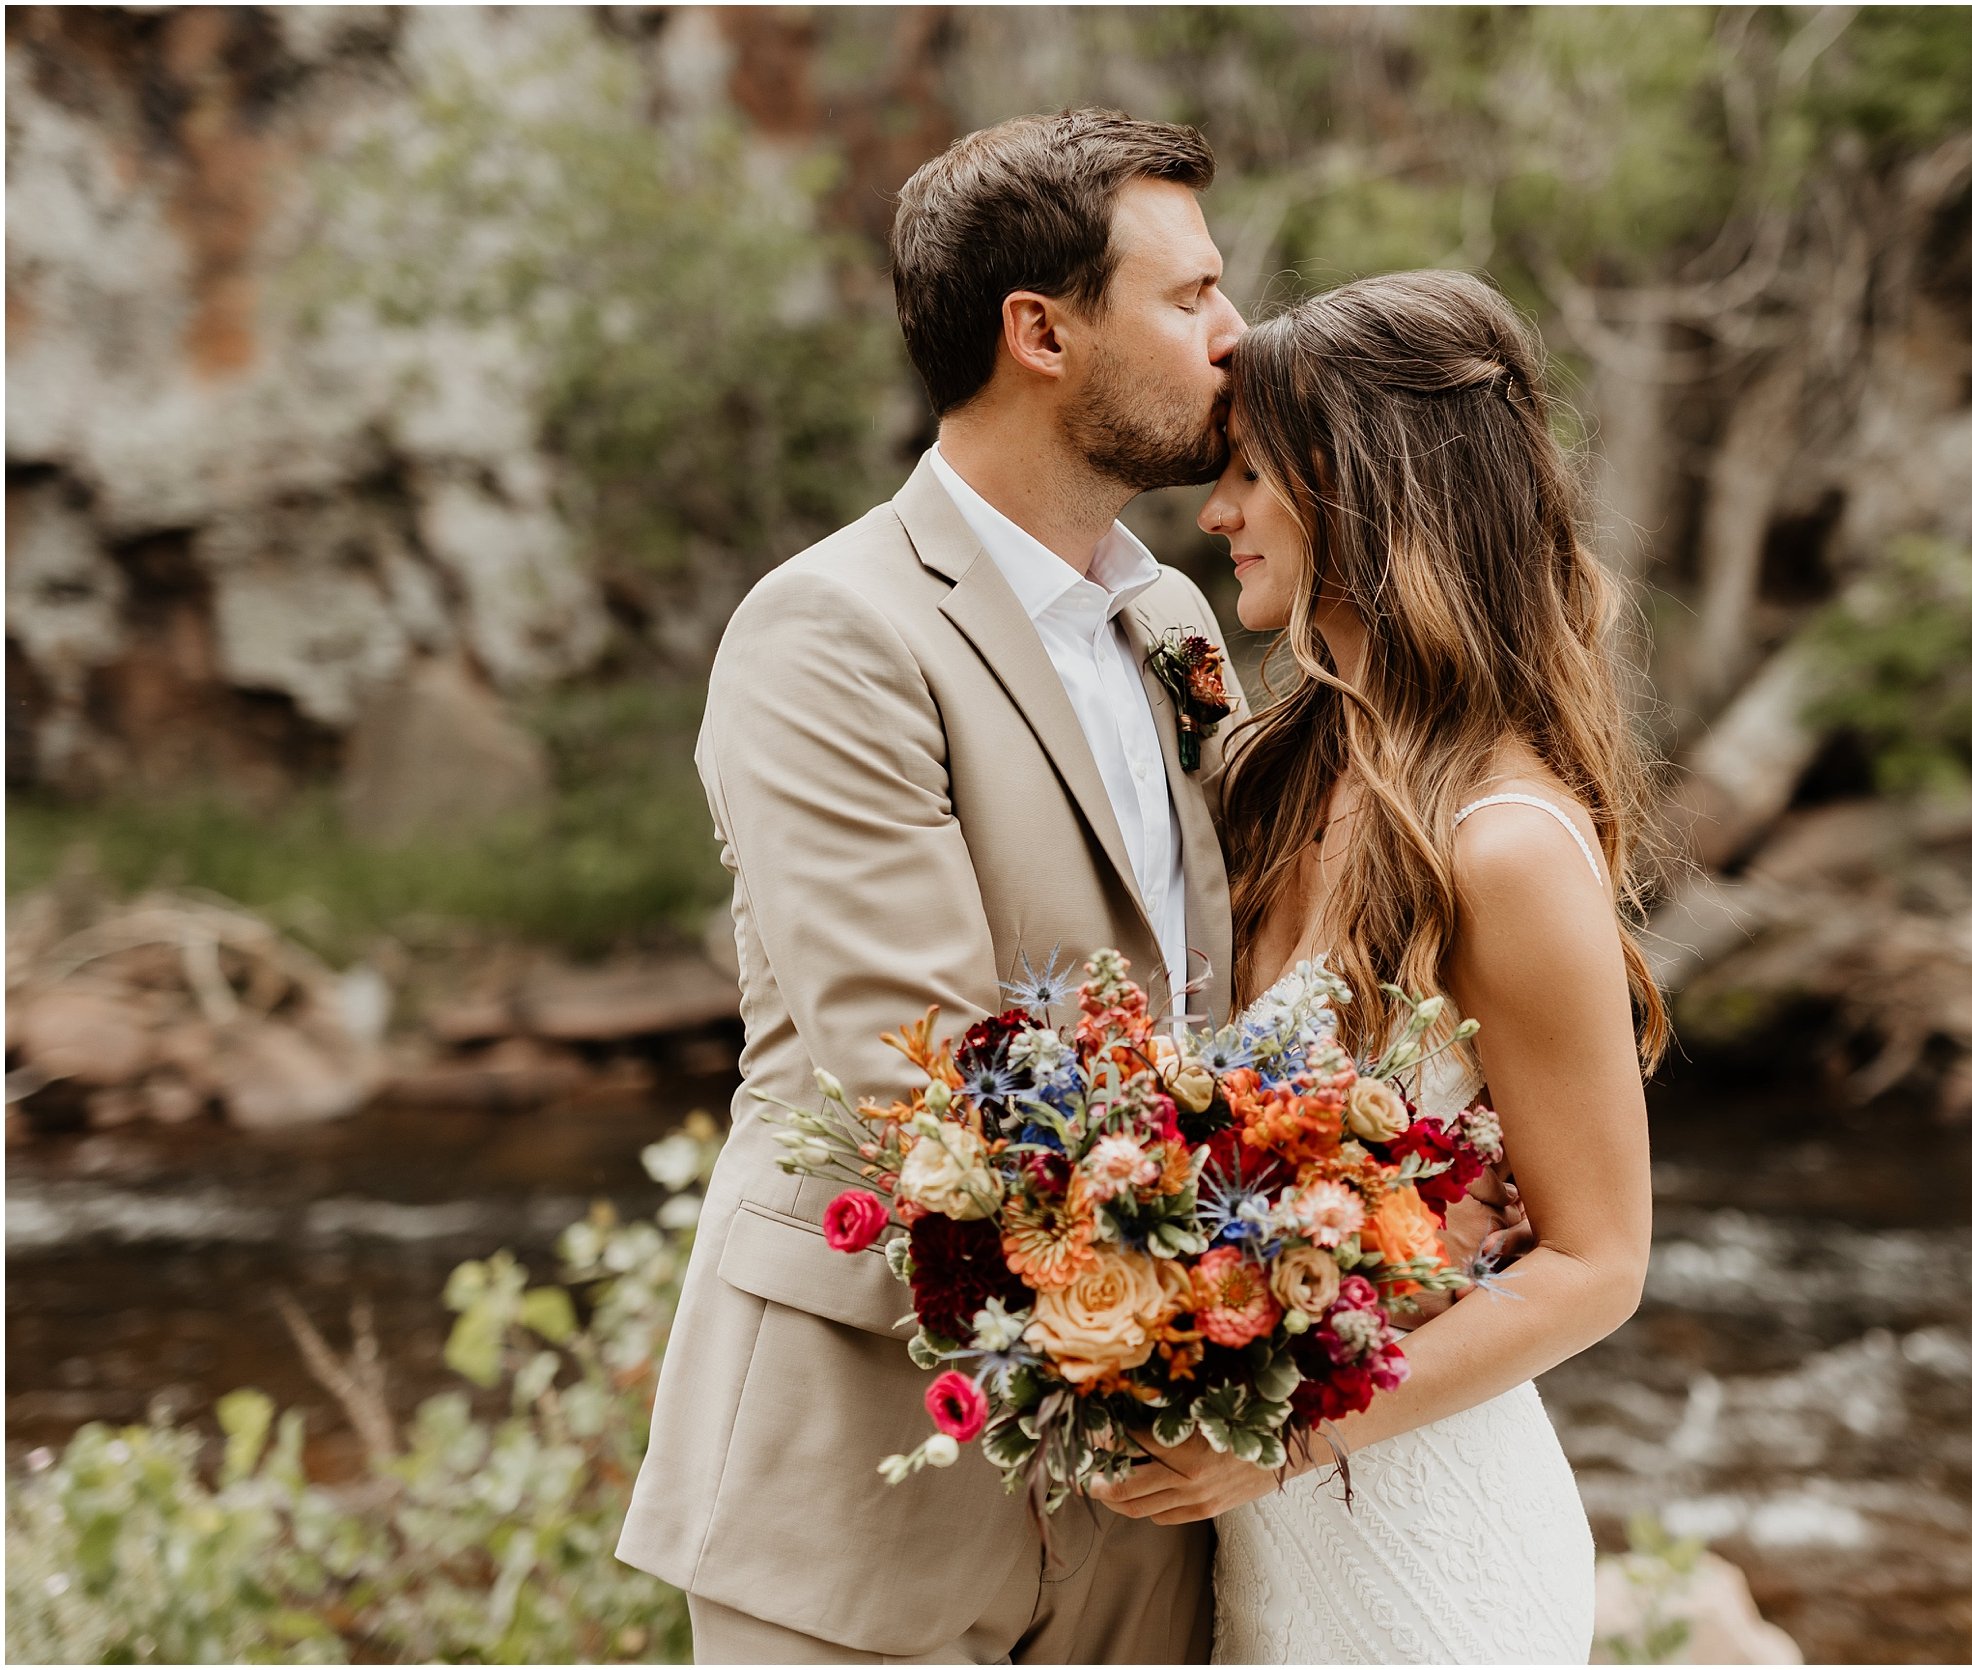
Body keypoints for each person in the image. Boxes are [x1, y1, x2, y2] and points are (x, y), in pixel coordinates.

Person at [613, 109, 1250, 1663]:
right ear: (1041, 330)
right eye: (1190, 299)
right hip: (870, 1456)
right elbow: (928, 1065)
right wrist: (1247, 1292)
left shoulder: (1171, 614)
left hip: (1144, 1494)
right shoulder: (831, 629)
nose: (1239, 338)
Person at [1091, 269, 1666, 1665]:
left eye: (1248, 474)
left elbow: (1598, 1259)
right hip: (1270, 1546)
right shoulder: (1284, 770)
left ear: (1358, 490)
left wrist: (1285, 1430)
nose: (1215, 513)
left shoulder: (1507, 840)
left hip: (1422, 1543)